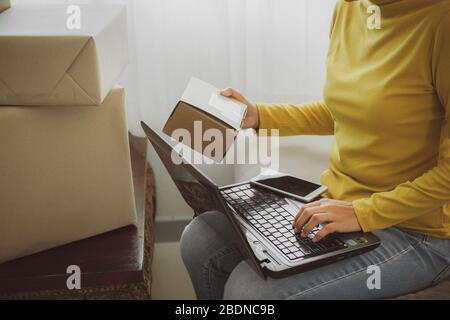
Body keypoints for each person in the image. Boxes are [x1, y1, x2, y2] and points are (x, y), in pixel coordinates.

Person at [180, 0, 450, 299]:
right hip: (341, 205)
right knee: (201, 239)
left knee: (251, 292)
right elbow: (350, 110)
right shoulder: (349, 9)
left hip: (418, 231)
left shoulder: (441, 21)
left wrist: (362, 213)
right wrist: (261, 115)